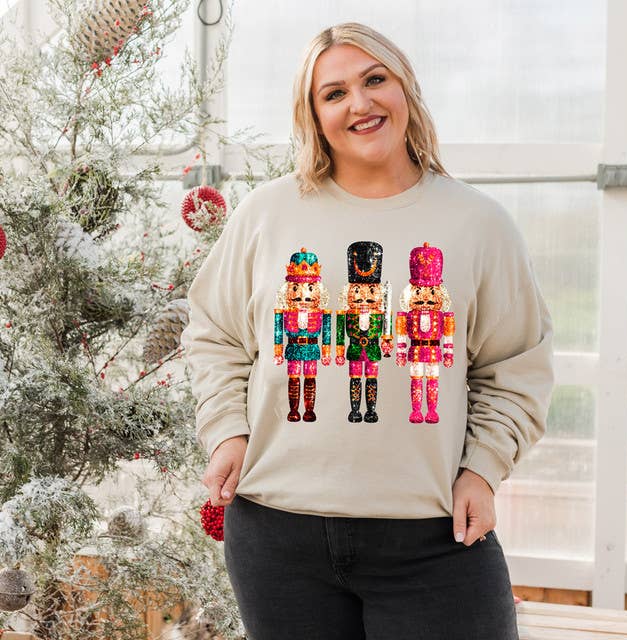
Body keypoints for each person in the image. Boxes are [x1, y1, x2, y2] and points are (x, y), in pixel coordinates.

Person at [181, 22, 554, 640]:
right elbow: (216, 334)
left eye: (374, 79)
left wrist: (483, 469)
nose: (360, 103)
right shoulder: (267, 215)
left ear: (404, 86)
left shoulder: (479, 224)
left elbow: (514, 367)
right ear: (313, 115)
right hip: (277, 536)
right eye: (334, 93)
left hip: (435, 536)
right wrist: (227, 432)